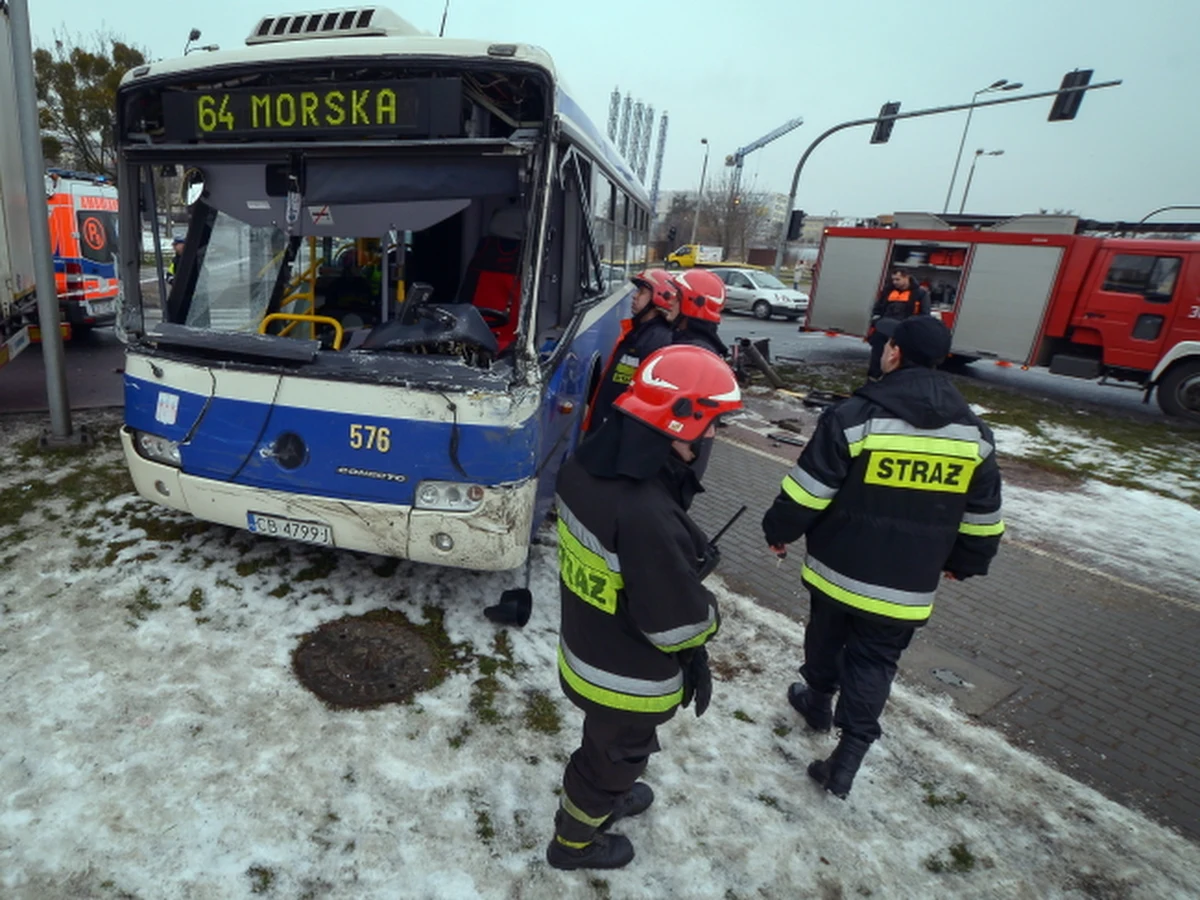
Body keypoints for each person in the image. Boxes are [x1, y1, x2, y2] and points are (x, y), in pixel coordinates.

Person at [761, 315, 1004, 800]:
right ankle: (847, 757)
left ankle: (817, 701)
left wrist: (779, 530)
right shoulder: (973, 434)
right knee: (875, 661)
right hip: (907, 585)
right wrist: (967, 560)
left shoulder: (854, 417)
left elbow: (810, 491)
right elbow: (984, 513)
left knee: (826, 635)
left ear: (893, 353)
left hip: (838, 569)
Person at [548, 344, 743, 870]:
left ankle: (607, 792)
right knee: (612, 759)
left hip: (588, 643)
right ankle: (575, 840)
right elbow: (677, 624)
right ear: (682, 422)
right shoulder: (645, 513)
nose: (713, 438)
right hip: (625, 676)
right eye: (714, 424)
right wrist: (709, 614)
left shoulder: (586, 468)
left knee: (605, 741)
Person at [584, 269, 677, 435]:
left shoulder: (658, 339)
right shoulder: (638, 331)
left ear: (658, 298)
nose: (635, 296)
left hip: (616, 431)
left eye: (641, 292)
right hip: (607, 423)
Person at [867, 269, 930, 380]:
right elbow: (877, 308)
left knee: (900, 360)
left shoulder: (920, 294)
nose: (895, 282)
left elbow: (924, 315)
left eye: (898, 279)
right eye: (893, 279)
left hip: (904, 332)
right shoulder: (888, 291)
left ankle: (893, 380)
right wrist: (876, 321)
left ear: (907, 277)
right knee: (877, 356)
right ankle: (873, 378)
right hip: (883, 330)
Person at [669, 268, 728, 358]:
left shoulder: (691, 353)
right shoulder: (700, 345)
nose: (670, 302)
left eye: (677, 298)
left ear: (693, 304)